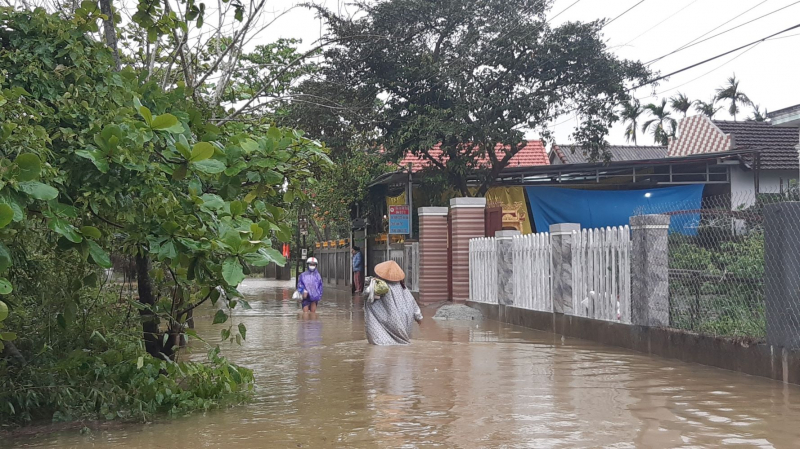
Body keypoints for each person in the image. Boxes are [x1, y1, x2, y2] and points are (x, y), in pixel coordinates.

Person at [364, 260, 423, 345]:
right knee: (402, 344)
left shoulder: (380, 286)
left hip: (389, 320)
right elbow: (412, 302)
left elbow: (367, 295)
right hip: (403, 320)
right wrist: (418, 317)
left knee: (382, 345)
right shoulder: (403, 287)